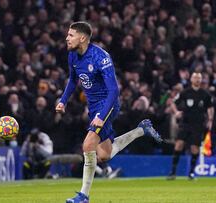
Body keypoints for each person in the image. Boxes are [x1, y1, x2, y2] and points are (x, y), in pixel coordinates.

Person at [55, 21, 162, 203]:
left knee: (88, 145)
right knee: (104, 155)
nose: (67, 38)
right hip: (94, 107)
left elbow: (114, 91)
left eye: (71, 35)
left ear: (82, 38)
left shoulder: (100, 57)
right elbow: (73, 80)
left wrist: (102, 117)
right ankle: (141, 130)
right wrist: (63, 100)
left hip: (108, 104)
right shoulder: (72, 55)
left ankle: (83, 196)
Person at [167, 72, 214, 180]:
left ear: (201, 80)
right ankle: (173, 172)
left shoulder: (205, 94)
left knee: (194, 148)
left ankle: (191, 173)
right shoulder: (185, 92)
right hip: (186, 123)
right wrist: (176, 112)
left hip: (198, 124)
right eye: (195, 78)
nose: (197, 80)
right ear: (191, 80)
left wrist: (210, 119)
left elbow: (210, 108)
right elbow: (173, 102)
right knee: (179, 144)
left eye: (199, 78)